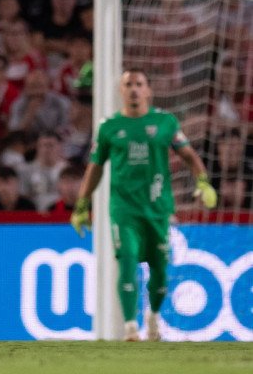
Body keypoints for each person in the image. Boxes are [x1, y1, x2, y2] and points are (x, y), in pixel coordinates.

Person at [71, 68, 218, 342]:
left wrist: (202, 181)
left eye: (139, 84)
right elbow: (95, 168)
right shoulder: (109, 127)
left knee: (160, 269)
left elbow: (187, 153)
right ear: (121, 91)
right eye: (128, 84)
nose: (134, 89)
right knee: (127, 261)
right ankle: (129, 327)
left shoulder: (165, 122)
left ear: (149, 90)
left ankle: (153, 316)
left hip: (158, 209)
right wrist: (81, 203)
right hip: (124, 210)